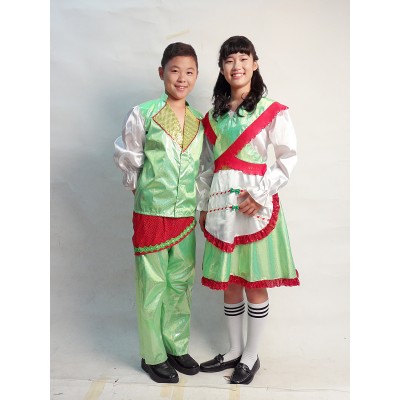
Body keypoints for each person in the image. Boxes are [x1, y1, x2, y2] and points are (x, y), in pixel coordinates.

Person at [196, 36, 300, 385]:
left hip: (254, 207)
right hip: (221, 207)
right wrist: (203, 204)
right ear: (222, 68)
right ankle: (233, 349)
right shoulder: (213, 117)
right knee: (230, 283)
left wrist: (260, 194)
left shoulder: (272, 110)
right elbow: (207, 166)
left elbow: (286, 158)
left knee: (254, 282)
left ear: (255, 64)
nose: (236, 65)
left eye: (243, 58)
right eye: (229, 60)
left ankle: (251, 356)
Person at [114, 42, 204, 384]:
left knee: (180, 283)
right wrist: (142, 192)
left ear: (196, 76)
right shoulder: (144, 113)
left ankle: (175, 346)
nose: (182, 78)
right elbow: (129, 157)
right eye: (175, 70)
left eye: (189, 72)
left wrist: (199, 203)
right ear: (161, 72)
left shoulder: (199, 120)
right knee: (152, 284)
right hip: (152, 212)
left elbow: (204, 168)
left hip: (185, 215)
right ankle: (152, 356)